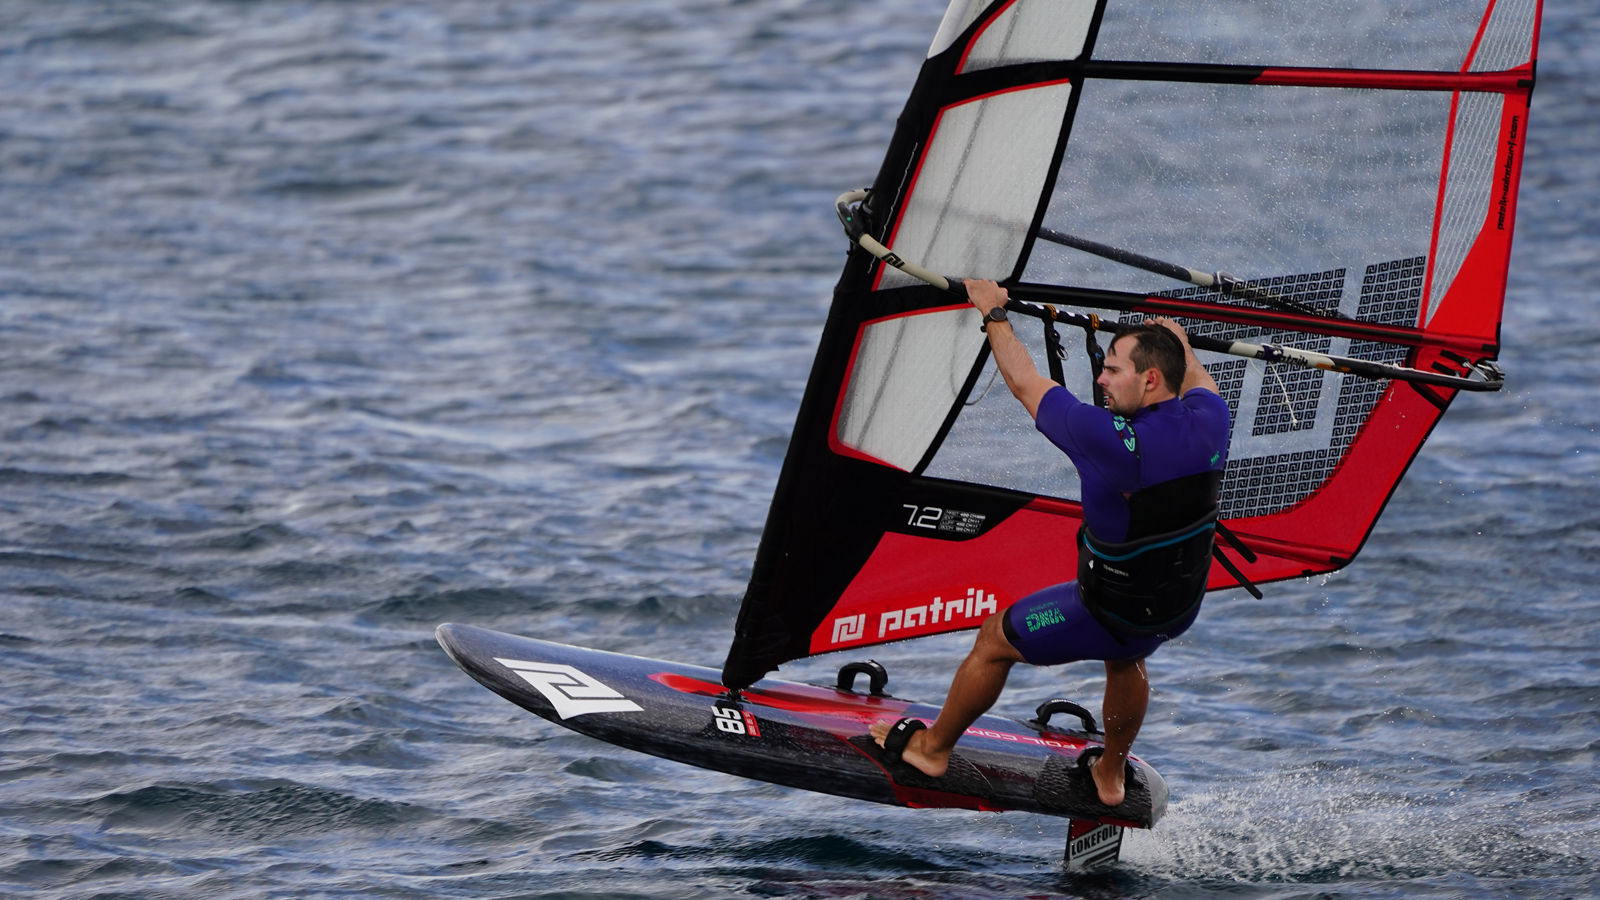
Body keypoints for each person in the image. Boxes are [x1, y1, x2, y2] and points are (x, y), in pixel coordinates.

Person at [870, 278, 1231, 807]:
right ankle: (1109, 774)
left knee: (995, 639)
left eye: (1112, 369)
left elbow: (1023, 382)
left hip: (1111, 609)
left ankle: (931, 748)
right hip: (1174, 609)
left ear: (1150, 380)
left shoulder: (1105, 438)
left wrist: (994, 313)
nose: (1102, 379)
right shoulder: (1212, 421)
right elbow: (1196, 376)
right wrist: (1179, 340)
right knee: (1128, 657)